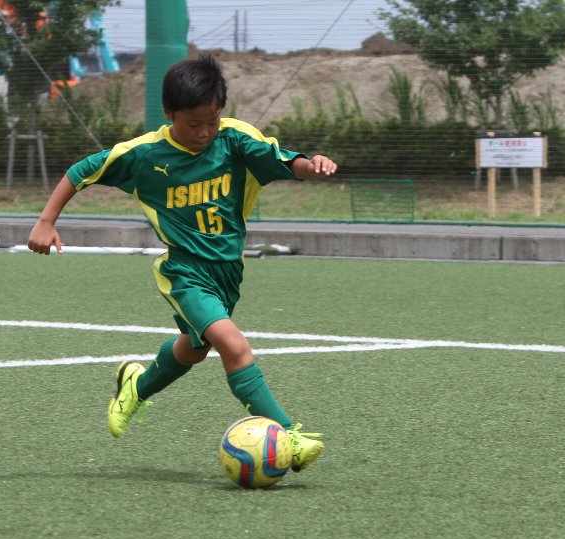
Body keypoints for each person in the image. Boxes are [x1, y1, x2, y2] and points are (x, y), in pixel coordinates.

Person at [27, 53, 337, 473]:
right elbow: (83, 170)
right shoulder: (145, 154)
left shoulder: (235, 139)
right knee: (233, 346)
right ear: (169, 113)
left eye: (212, 121)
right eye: (194, 124)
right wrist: (46, 221)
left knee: (193, 350)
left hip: (228, 271)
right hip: (185, 273)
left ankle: (137, 385)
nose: (205, 132)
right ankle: (288, 435)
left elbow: (284, 161)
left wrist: (312, 167)